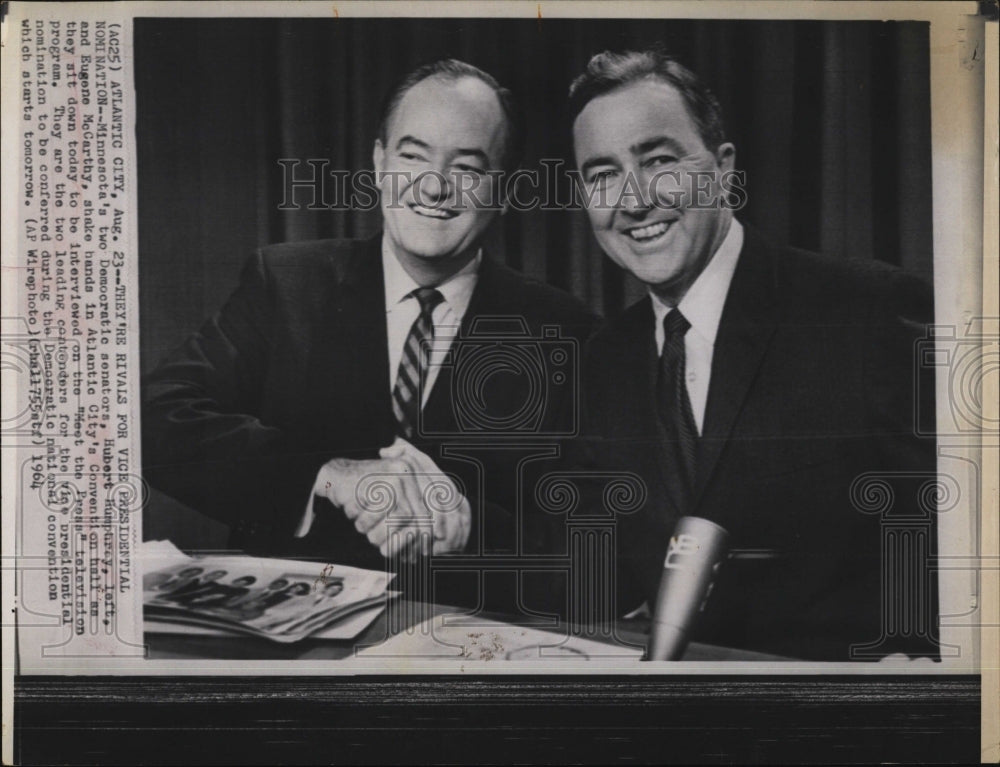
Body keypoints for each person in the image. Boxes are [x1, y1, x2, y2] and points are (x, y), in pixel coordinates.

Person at [142, 60, 596, 596]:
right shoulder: (286, 283)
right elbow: (157, 416)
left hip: (465, 648)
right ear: (380, 161)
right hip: (293, 646)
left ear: (504, 187)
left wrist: (469, 526)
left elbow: (592, 540)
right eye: (413, 155)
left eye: (467, 168)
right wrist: (326, 474)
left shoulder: (566, 331)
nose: (433, 188)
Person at [561, 49, 938, 661]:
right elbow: (589, 570)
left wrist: (921, 659)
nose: (632, 200)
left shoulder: (866, 310)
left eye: (657, 161)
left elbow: (959, 531)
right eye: (601, 174)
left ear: (724, 169)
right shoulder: (602, 360)